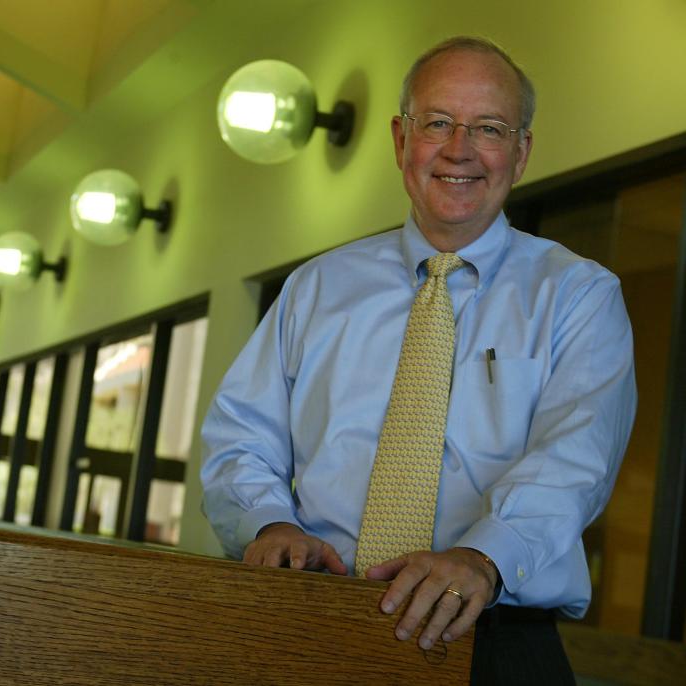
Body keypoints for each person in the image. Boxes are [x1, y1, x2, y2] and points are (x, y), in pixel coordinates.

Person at [200, 36, 636, 684]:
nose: (458, 149)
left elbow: (575, 461)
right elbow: (241, 433)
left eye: (488, 128)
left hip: (491, 644)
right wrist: (266, 523)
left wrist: (481, 558)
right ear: (401, 139)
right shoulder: (315, 287)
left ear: (519, 153)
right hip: (309, 622)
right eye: (437, 122)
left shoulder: (577, 296)